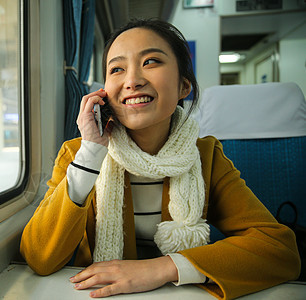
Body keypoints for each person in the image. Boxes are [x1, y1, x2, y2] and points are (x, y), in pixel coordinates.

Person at [20, 19, 300, 299]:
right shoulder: (79, 154)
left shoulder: (205, 156)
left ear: (183, 86)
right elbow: (39, 256)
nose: (132, 81)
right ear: (103, 92)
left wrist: (162, 269)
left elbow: (280, 250)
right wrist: (91, 153)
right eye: (117, 69)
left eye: (151, 61)